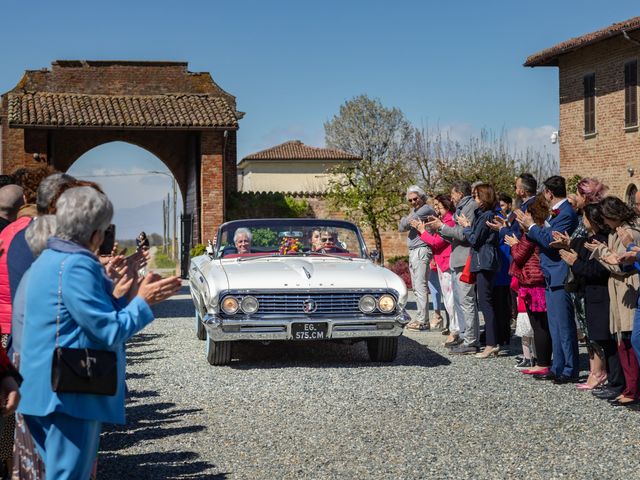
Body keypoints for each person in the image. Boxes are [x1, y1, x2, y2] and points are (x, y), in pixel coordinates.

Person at [18, 186, 182, 479]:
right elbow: (108, 330)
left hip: (43, 389)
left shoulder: (47, 259)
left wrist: (125, 298)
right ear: (96, 233)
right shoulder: (78, 264)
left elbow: (82, 316)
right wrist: (144, 303)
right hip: (70, 391)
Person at [516, 175, 579, 384]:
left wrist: (532, 226)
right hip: (550, 274)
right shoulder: (556, 214)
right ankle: (558, 365)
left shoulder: (567, 214)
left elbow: (549, 240)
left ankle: (570, 369)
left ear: (549, 193)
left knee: (564, 326)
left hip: (560, 273)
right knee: (554, 325)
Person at [588, 197, 640, 407]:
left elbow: (622, 264)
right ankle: (629, 387)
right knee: (622, 341)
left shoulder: (630, 232)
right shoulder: (614, 232)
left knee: (629, 340)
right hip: (618, 290)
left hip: (628, 289)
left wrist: (602, 253)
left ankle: (632, 389)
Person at [559, 204, 615, 391]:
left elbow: (595, 270)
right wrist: (570, 245)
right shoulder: (590, 239)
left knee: (598, 336)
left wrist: (574, 261)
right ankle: (594, 370)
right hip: (586, 291)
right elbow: (581, 249)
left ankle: (599, 372)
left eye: (584, 218)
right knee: (589, 333)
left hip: (598, 293)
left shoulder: (602, 240)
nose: (582, 221)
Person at [426, 181, 478, 353]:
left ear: (460, 194)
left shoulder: (469, 207)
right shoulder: (461, 209)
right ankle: (464, 336)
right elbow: (453, 236)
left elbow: (463, 235)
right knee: (458, 301)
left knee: (466, 301)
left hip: (464, 259)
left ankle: (470, 339)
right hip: (457, 259)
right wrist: (440, 228)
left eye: (453, 194)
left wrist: (442, 227)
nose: (451, 197)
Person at [505, 194, 551, 375]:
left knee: (539, 325)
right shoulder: (543, 228)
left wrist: (514, 244)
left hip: (533, 281)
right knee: (542, 325)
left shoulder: (531, 233)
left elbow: (518, 256)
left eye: (526, 214)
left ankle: (543, 362)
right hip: (538, 279)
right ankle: (544, 361)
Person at [456, 184, 500, 358]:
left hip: (485, 261)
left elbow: (475, 239)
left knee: (486, 303)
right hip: (485, 260)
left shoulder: (486, 216)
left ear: (484, 198)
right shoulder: (483, 215)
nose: (474, 200)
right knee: (486, 302)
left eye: (476, 197)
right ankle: (492, 342)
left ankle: (491, 344)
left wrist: (466, 227)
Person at [411, 194, 456, 333]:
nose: (436, 209)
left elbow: (436, 243)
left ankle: (455, 331)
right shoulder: (442, 220)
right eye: (435, 206)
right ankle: (451, 328)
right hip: (441, 262)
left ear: (447, 206)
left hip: (447, 263)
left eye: (439, 206)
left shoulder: (449, 221)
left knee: (450, 301)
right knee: (447, 300)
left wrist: (422, 231)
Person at [399, 186, 436, 331]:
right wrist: (407, 220)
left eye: (415, 198)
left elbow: (405, 224)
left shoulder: (426, 209)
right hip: (414, 250)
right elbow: (402, 227)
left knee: (420, 287)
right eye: (410, 200)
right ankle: (421, 318)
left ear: (422, 197)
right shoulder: (414, 211)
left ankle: (423, 321)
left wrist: (406, 220)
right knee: (416, 287)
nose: (413, 202)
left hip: (421, 249)